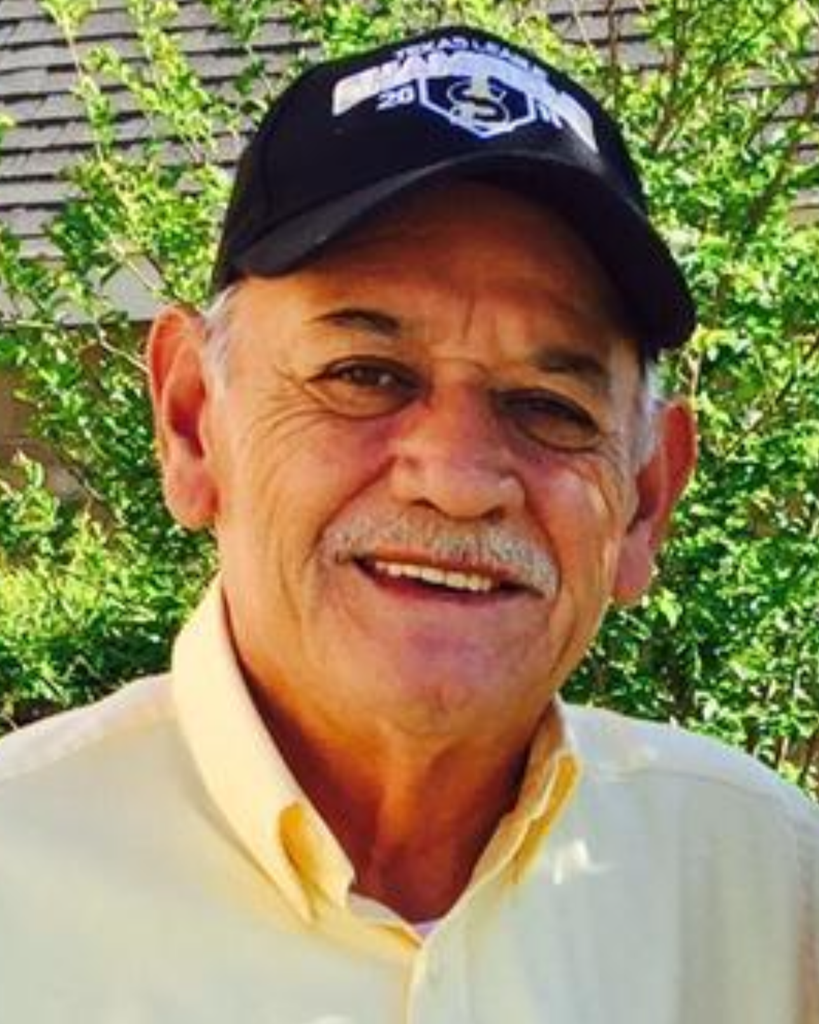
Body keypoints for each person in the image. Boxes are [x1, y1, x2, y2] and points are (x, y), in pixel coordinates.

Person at [0, 24, 816, 1023]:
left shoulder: (770, 892)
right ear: (192, 423)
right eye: (364, 374)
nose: (460, 480)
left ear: (645, 497)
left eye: (549, 406)